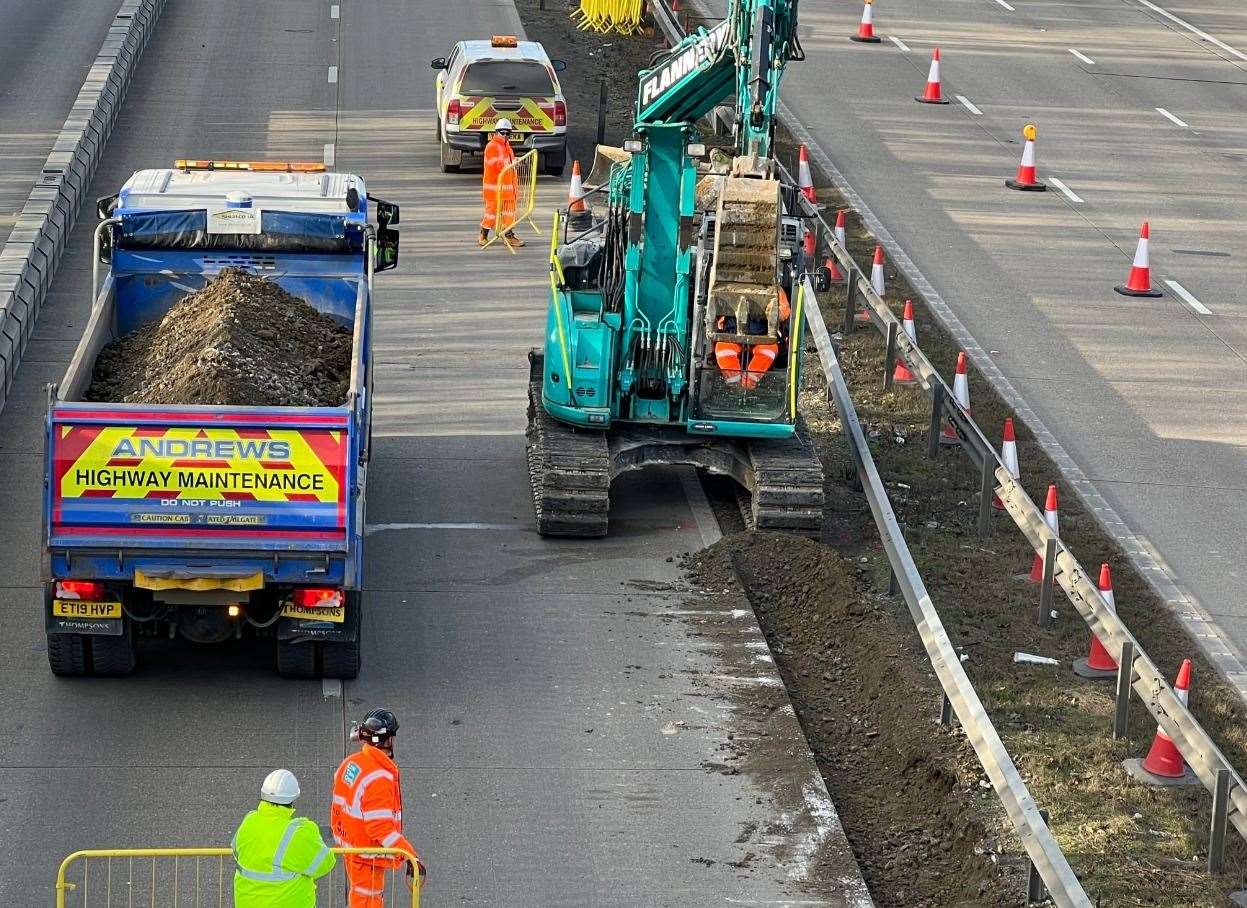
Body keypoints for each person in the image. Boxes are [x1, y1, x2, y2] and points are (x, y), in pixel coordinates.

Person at [331, 708, 425, 907]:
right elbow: (380, 828)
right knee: (367, 900)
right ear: (388, 740)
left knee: (359, 895)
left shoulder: (351, 763)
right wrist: (410, 855)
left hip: (352, 847)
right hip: (367, 854)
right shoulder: (379, 777)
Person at [232, 769, 335, 907]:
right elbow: (324, 864)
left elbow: (236, 852)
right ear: (293, 799)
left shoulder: (249, 821)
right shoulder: (298, 831)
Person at [714, 286, 791, 390]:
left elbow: (785, 311)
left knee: (768, 351)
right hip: (732, 335)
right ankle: (733, 388)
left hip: (764, 336)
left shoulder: (775, 287)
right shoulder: (724, 284)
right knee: (724, 350)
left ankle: (749, 385)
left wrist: (774, 312)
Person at [479, 118, 524, 248]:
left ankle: (508, 235)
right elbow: (496, 164)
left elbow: (506, 160)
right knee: (491, 213)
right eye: (502, 132)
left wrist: (515, 160)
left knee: (509, 214)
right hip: (494, 188)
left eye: (507, 133)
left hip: (507, 188)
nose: (504, 135)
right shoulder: (492, 146)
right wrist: (511, 164)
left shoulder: (506, 146)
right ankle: (483, 234)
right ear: (496, 132)